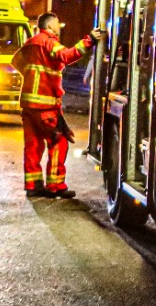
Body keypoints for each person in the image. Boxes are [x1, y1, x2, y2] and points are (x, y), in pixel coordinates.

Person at [13, 13, 102, 199]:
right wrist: (90, 40)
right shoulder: (49, 41)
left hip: (29, 105)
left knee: (33, 145)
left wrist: (32, 78)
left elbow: (16, 62)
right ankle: (55, 186)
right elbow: (67, 55)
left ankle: (33, 185)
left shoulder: (30, 43)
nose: (59, 27)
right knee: (58, 142)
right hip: (45, 105)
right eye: (56, 24)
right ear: (49, 26)